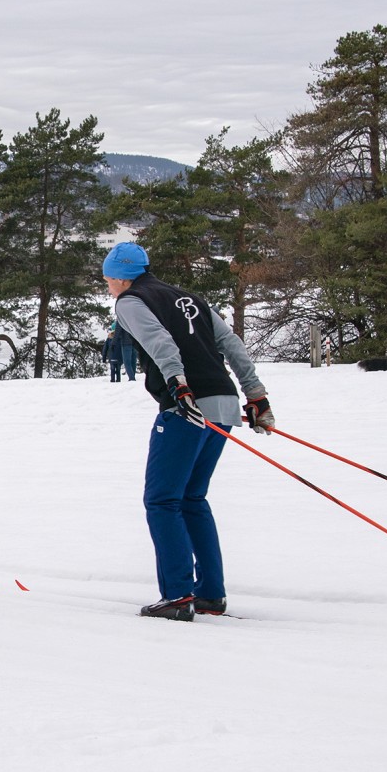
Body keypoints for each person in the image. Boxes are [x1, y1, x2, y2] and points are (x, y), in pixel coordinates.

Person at [103, 241, 272, 622]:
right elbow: (230, 344)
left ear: (118, 277)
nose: (109, 288)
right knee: (193, 498)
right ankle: (210, 594)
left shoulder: (130, 302)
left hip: (187, 407)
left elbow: (160, 343)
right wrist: (256, 395)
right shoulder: (190, 297)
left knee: (162, 501)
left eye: (107, 280)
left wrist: (179, 385)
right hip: (224, 404)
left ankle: (178, 596)